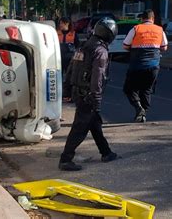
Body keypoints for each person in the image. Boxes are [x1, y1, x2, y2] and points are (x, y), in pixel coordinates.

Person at [59, 17, 119, 171]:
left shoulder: (84, 46)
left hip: (79, 92)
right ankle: (66, 159)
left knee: (94, 123)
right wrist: (96, 97)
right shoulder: (100, 51)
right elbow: (97, 76)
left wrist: (67, 88)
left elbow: (72, 68)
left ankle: (106, 152)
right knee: (80, 128)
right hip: (88, 94)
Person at [122, 9, 168, 122]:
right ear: (152, 19)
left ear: (142, 19)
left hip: (136, 66)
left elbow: (125, 45)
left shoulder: (136, 28)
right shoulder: (159, 30)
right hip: (153, 66)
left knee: (129, 89)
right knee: (146, 90)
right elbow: (164, 47)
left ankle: (138, 108)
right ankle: (143, 114)